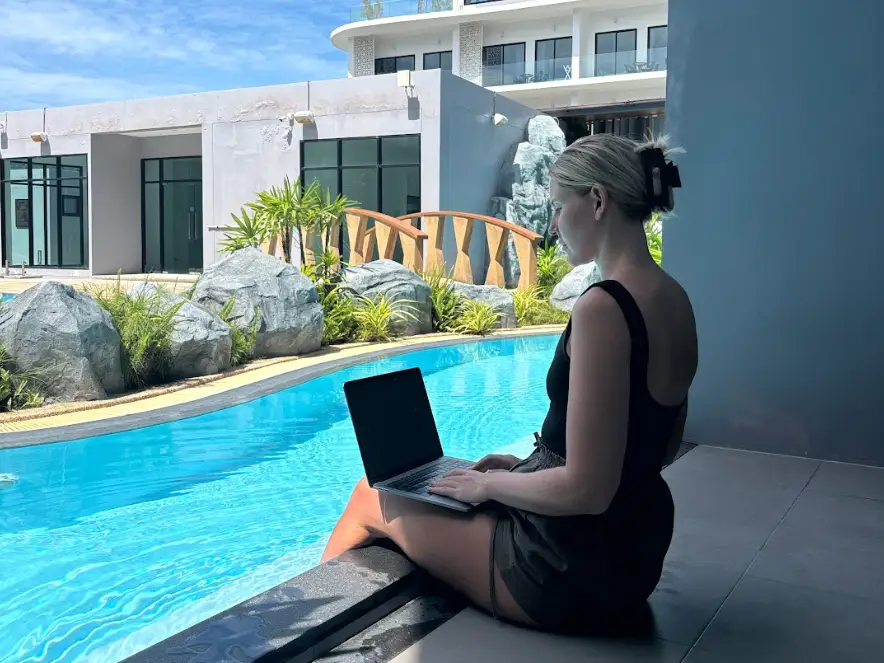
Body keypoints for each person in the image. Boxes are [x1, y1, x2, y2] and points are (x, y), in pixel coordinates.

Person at [321, 133, 698, 634]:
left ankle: (306, 637)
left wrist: (490, 483)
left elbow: (588, 490)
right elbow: (660, 447)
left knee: (369, 496)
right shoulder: (675, 298)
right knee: (451, 491)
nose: (553, 226)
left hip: (569, 568)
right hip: (634, 556)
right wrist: (527, 468)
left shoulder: (604, 308)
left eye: (560, 207)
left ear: (599, 201)